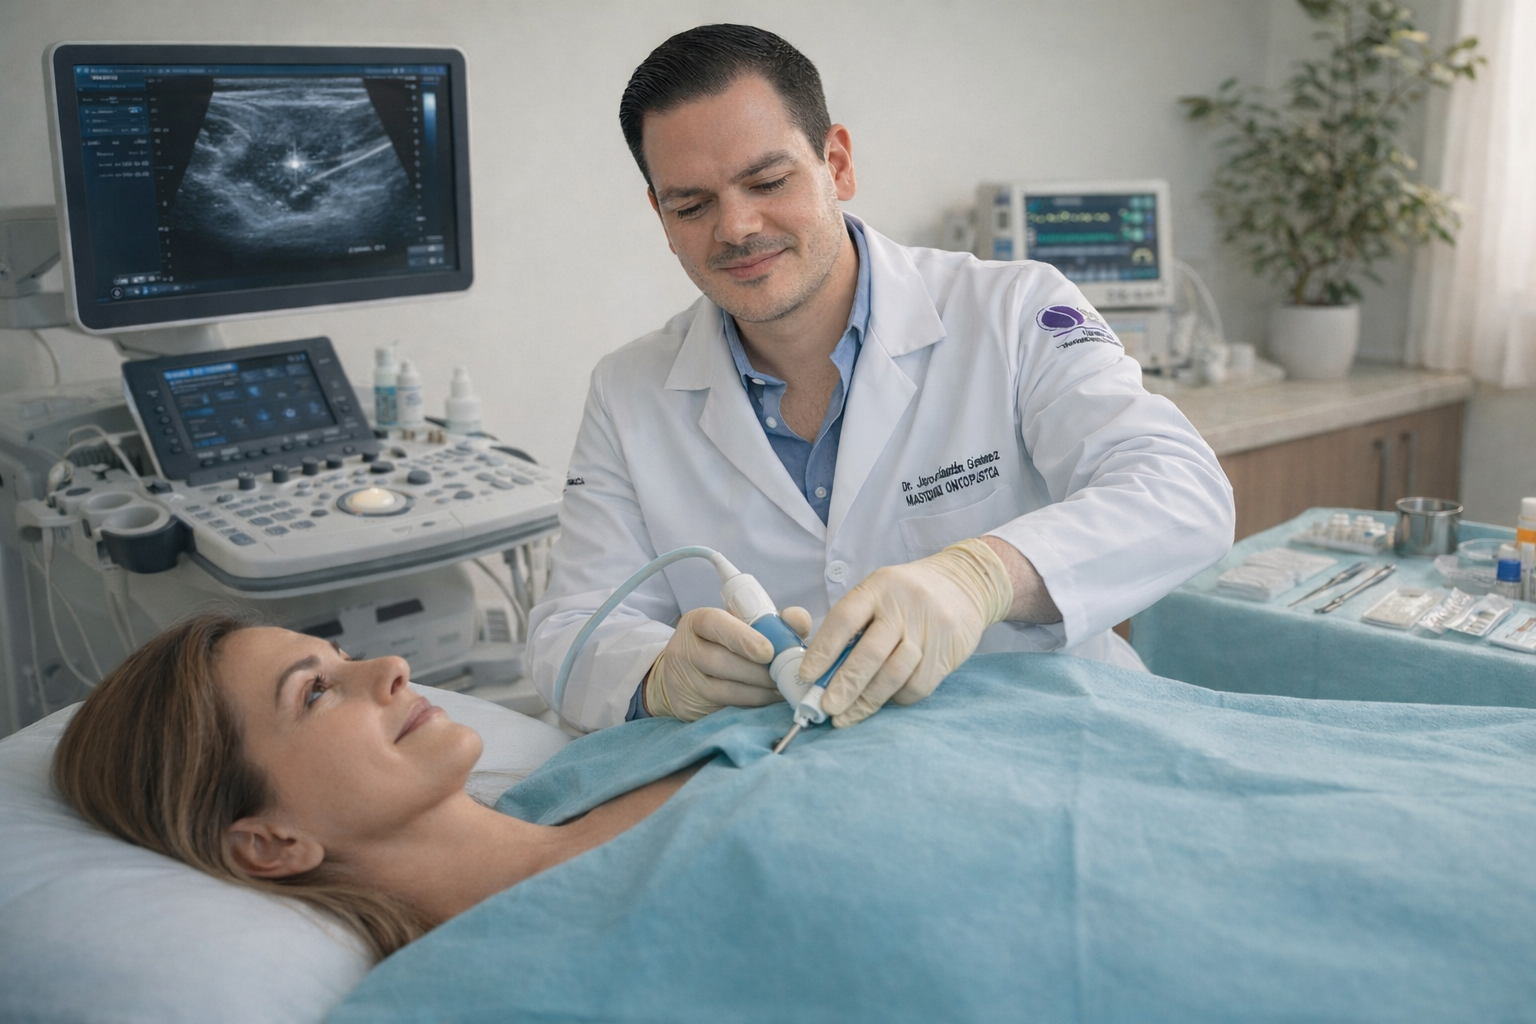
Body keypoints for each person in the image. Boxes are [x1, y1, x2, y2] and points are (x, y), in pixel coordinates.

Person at [527, 24, 1235, 733]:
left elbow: (1181, 491)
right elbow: (570, 629)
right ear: (661, 216)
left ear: (836, 164)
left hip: (1053, 736)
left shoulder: (1013, 310)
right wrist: (657, 674)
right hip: (801, 771)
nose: (736, 226)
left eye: (768, 182)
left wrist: (983, 576)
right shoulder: (628, 391)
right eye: (692, 205)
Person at [52, 615, 697, 960]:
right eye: (315, 692)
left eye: (345, 659)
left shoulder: (595, 766)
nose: (393, 668)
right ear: (272, 842)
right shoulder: (497, 984)